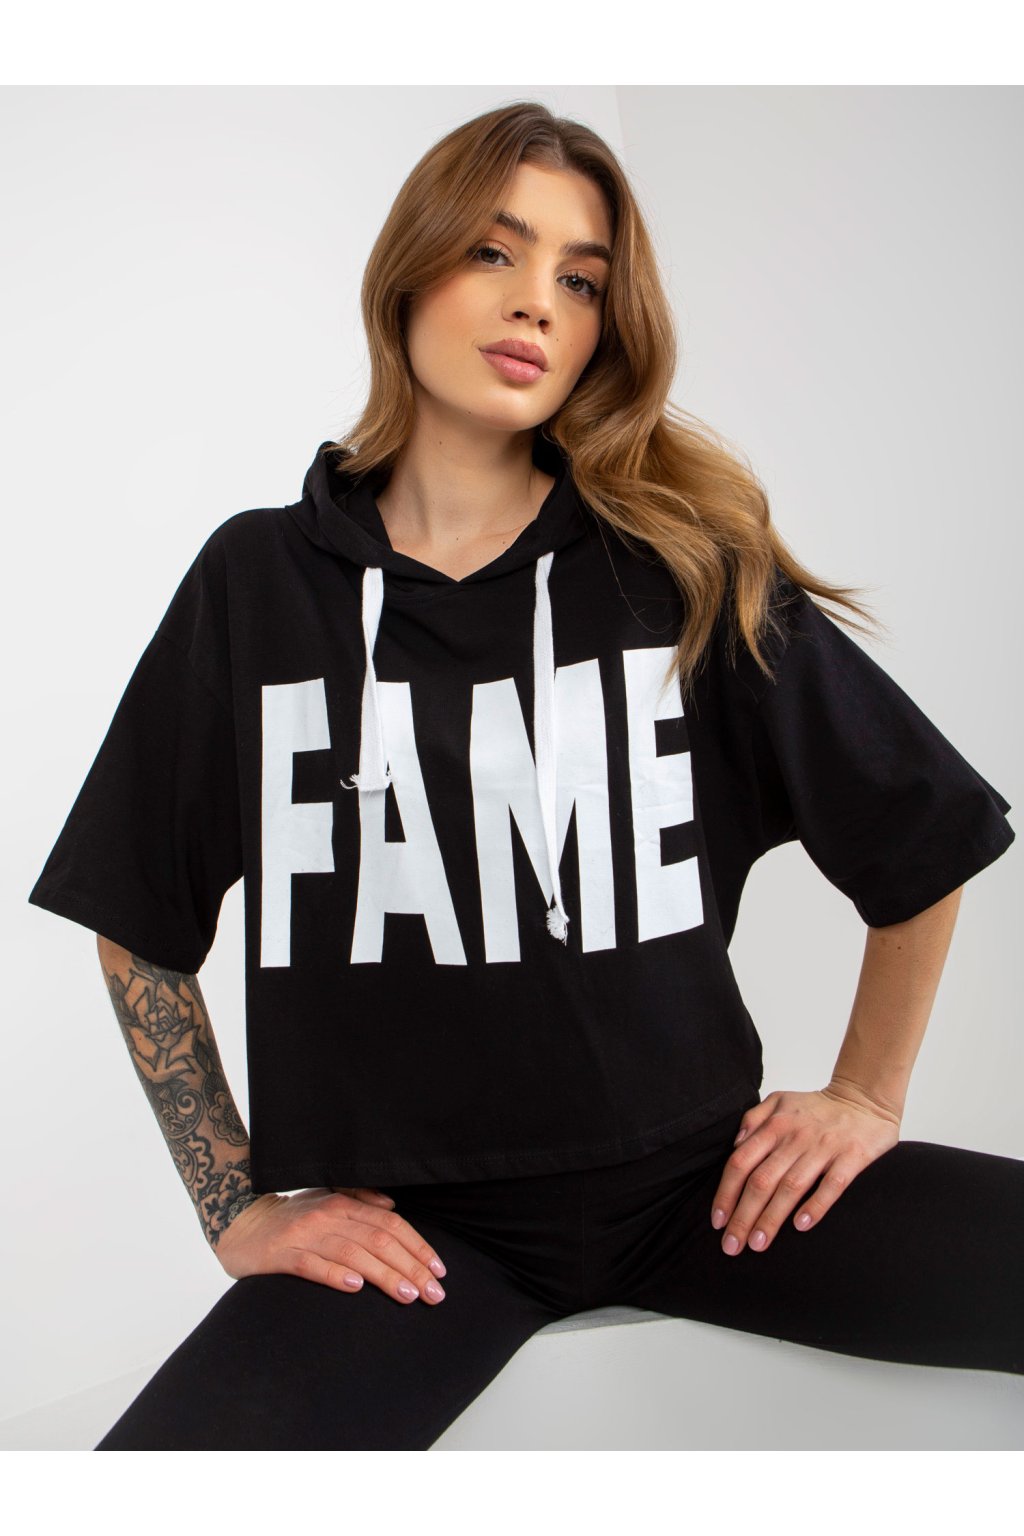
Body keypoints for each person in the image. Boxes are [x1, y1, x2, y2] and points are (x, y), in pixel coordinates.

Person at [27, 101, 1021, 1451]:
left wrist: (865, 1097)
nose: (538, 303)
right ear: (409, 273)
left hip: (712, 1196)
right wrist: (236, 1202)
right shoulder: (257, 584)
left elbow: (924, 832)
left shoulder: (677, 563)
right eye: (496, 252)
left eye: (582, 279)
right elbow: (136, 913)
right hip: (418, 1247)